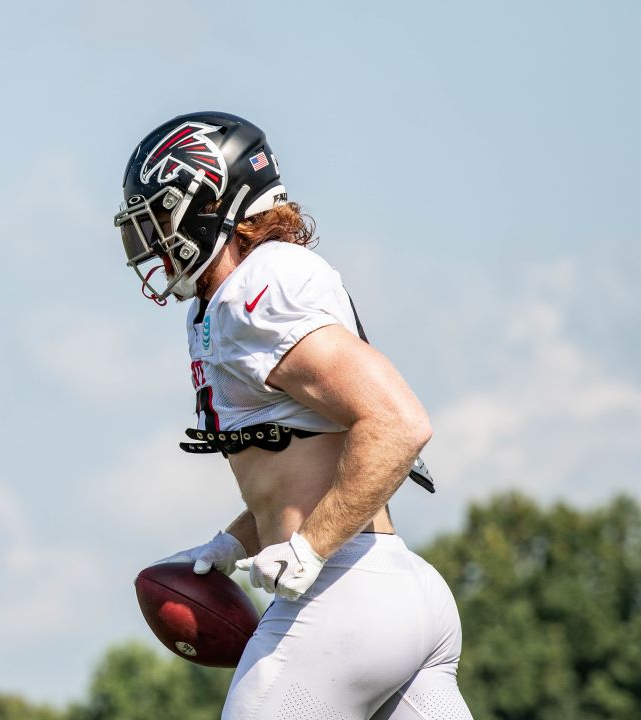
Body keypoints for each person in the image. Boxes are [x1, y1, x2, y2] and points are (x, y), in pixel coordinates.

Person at [114, 112, 472, 719]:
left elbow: (398, 424)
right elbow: (306, 451)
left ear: (210, 203)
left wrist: (307, 548)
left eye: (160, 216)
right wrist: (237, 539)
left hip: (343, 597)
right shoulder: (227, 303)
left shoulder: (259, 288)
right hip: (394, 593)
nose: (151, 241)